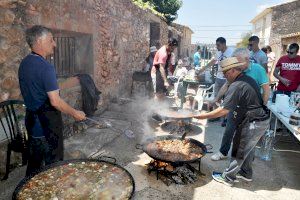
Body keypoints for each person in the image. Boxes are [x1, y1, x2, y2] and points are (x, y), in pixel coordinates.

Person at [18, 25, 86, 177]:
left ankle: (28, 191)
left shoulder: (24, 63)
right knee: (53, 165)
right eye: (51, 40)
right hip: (46, 125)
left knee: (34, 163)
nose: (54, 44)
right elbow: (55, 101)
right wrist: (75, 113)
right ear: (39, 41)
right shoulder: (46, 67)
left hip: (31, 123)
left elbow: (36, 88)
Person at [194, 57, 269, 186]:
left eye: (226, 72)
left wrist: (202, 116)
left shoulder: (237, 85)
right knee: (248, 150)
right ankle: (246, 173)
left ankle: (228, 178)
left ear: (234, 70)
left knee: (239, 149)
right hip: (259, 120)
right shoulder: (247, 79)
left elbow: (223, 111)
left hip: (253, 122)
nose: (224, 75)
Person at [210, 48, 270, 161]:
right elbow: (226, 85)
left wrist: (263, 105)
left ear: (247, 59)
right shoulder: (235, 71)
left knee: (245, 137)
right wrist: (216, 99)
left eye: (238, 61)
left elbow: (266, 90)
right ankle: (223, 152)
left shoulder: (258, 69)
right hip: (236, 106)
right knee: (229, 130)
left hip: (250, 109)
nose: (236, 64)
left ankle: (243, 162)